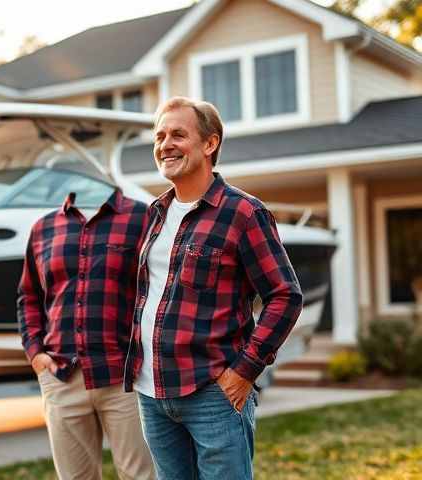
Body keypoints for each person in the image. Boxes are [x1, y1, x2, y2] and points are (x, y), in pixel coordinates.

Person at [124, 96, 303, 480]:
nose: (165, 144)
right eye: (159, 136)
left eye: (177, 134)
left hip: (213, 394)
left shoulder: (243, 212)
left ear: (210, 144)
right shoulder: (155, 214)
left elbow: (285, 295)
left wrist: (246, 370)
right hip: (152, 395)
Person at [17, 187, 155, 480]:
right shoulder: (43, 228)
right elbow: (28, 296)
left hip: (125, 378)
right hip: (61, 376)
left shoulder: (143, 217)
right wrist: (36, 354)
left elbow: (161, 288)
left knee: (140, 476)